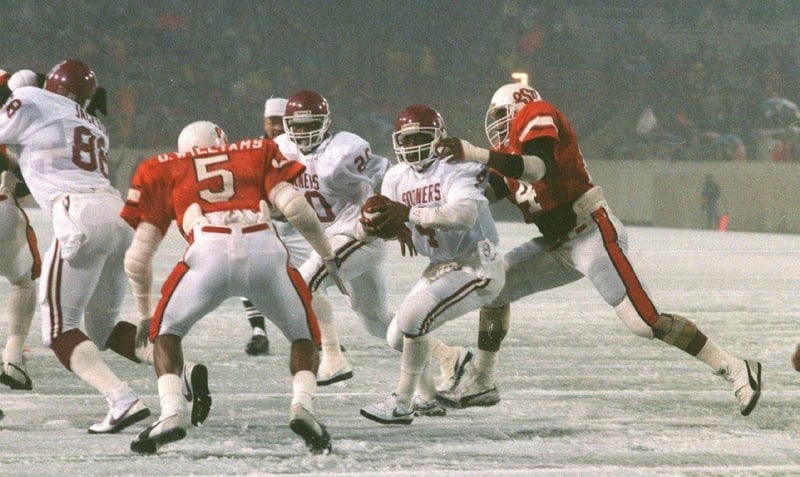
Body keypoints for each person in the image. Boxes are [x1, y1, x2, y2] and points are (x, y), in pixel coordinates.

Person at [433, 82, 762, 416]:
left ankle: (733, 366)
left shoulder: (537, 113)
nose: (498, 125)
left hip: (590, 232)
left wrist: (475, 153)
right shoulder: (508, 156)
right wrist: (439, 208)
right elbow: (486, 195)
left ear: (520, 106)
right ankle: (483, 381)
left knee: (645, 322)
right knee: (495, 287)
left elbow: (537, 167)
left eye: (502, 115)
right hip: (556, 243)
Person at [0, 59, 212, 433]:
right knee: (102, 328)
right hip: (118, 214)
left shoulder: (33, 98)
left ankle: (121, 400)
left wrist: (16, 89)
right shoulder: (94, 123)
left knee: (59, 330)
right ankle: (183, 370)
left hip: (79, 214)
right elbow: (34, 154)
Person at [123, 120, 343, 455]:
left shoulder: (163, 167)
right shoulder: (255, 152)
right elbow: (296, 208)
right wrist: (327, 255)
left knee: (165, 332)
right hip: (263, 247)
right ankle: (303, 408)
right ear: (223, 140)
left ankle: (171, 413)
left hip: (207, 248)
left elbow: (137, 260)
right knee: (304, 335)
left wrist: (143, 313)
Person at [357, 104, 505, 425]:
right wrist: (392, 227)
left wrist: (407, 215)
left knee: (412, 318)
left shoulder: (458, 167)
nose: (412, 147)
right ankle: (428, 396)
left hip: (478, 261)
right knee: (397, 336)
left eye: (419, 138)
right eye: (406, 141)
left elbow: (463, 216)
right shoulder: (396, 177)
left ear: (438, 137)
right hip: (442, 264)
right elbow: (394, 217)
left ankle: (402, 402)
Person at [276, 89, 393, 386]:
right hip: (338, 239)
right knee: (378, 323)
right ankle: (449, 360)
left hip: (360, 235)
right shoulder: (282, 150)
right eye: (297, 125)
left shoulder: (344, 151)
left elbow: (385, 174)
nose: (302, 131)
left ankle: (333, 357)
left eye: (309, 124)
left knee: (302, 283)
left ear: (326, 123)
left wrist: (387, 207)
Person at [241, 96, 291, 356]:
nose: (277, 127)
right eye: (273, 121)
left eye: (282, 121)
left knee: (307, 282)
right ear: (264, 121)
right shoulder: (254, 150)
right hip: (265, 224)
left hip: (297, 227)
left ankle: (319, 336)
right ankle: (259, 332)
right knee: (249, 274)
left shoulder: (297, 148)